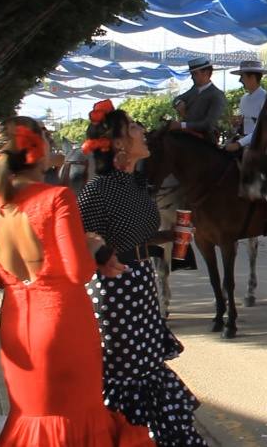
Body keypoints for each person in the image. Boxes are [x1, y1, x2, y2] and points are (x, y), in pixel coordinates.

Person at [0, 116, 152, 446]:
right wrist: (93, 247)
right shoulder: (56, 197)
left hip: (16, 323)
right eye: (46, 137)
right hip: (62, 324)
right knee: (75, 415)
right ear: (37, 150)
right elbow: (78, 272)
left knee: (29, 416)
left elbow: (1, 277)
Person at [77, 100, 206, 446]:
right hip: (114, 293)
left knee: (147, 369)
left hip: (141, 283)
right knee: (125, 374)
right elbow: (78, 240)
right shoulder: (97, 190)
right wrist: (100, 256)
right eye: (134, 127)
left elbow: (134, 235)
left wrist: (171, 236)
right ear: (119, 144)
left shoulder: (135, 184)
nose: (142, 130)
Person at [169, 57, 227, 143]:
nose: (192, 77)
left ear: (206, 72)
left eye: (194, 74)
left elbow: (208, 124)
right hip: (188, 137)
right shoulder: (194, 89)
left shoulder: (217, 95)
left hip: (204, 142)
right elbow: (176, 99)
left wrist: (182, 125)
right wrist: (179, 103)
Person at [225, 60, 267, 153]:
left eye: (242, 76)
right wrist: (236, 125)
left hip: (259, 146)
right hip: (243, 141)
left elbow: (263, 128)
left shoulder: (265, 98)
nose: (240, 80)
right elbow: (242, 125)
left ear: (252, 77)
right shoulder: (244, 98)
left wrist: (239, 144)